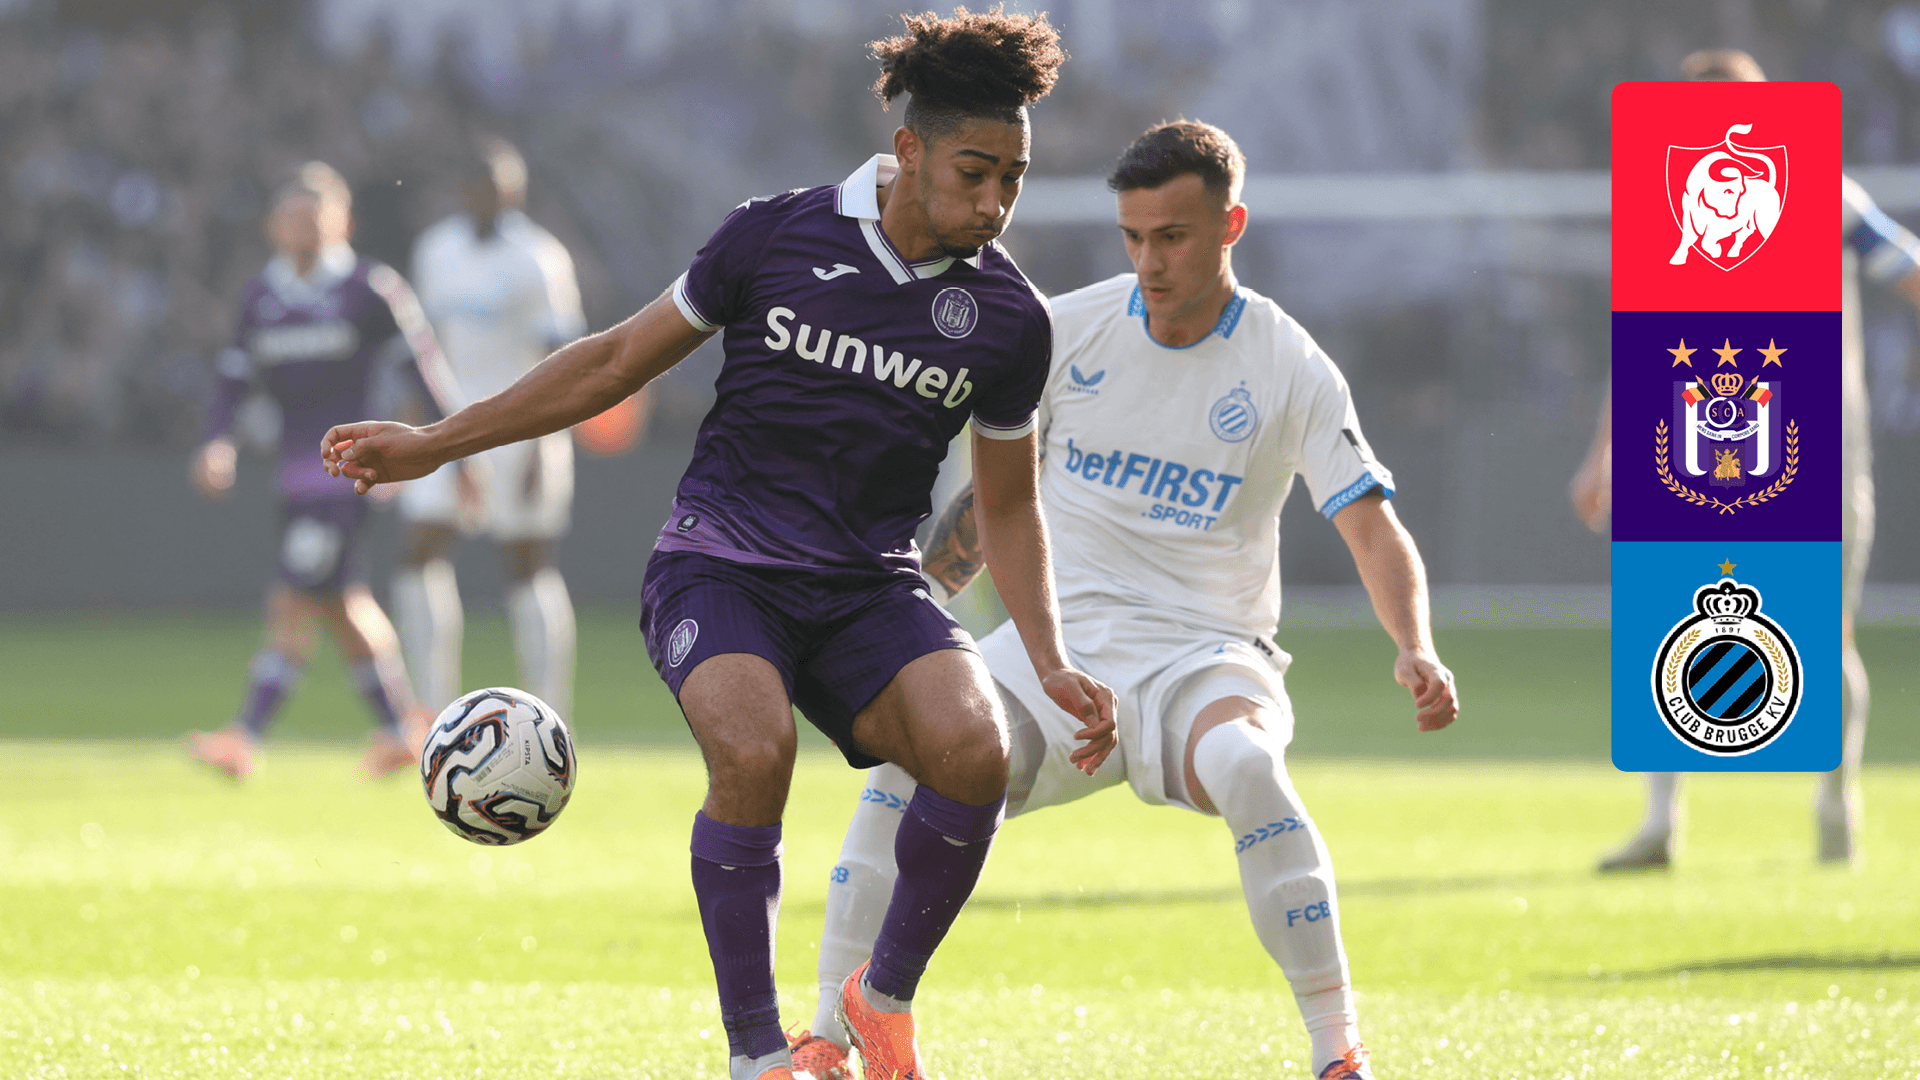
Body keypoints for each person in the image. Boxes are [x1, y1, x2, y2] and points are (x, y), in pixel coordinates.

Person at [319, 11, 1115, 1080]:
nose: (994, 203)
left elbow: (1008, 508)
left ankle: (878, 1003)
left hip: (868, 588)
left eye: (1013, 179)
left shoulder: (1012, 317)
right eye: (975, 174)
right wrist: (434, 443)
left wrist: (1050, 658)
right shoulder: (775, 234)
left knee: (980, 753)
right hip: (721, 563)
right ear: (910, 150)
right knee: (753, 752)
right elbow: (614, 362)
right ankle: (757, 1055)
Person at [785, 120, 1459, 1080]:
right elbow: (992, 505)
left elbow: (1370, 522)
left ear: (1230, 226)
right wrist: (908, 606)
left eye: (1172, 237)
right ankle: (828, 1033)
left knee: (1248, 767)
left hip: (1207, 653)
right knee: (909, 758)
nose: (1149, 261)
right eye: (1134, 237)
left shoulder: (1289, 363)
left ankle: (1337, 1052)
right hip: (1057, 654)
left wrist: (1415, 644)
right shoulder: (1065, 330)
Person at [1586, 48, 1920, 870]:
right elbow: (1641, 339)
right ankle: (1662, 825)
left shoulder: (1826, 195)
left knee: (1826, 633)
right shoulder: (1669, 214)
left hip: (1815, 450)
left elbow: (1907, 271)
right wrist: (1605, 451)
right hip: (1695, 448)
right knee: (1670, 622)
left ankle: (1835, 805)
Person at [187, 162, 462, 780]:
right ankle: (400, 730)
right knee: (341, 604)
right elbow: (232, 380)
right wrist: (217, 442)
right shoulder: (262, 298)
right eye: (294, 217)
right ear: (273, 226)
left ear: (344, 222)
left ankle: (245, 738)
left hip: (349, 475)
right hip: (293, 478)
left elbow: (423, 369)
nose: (305, 228)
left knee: (293, 602)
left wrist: (454, 446)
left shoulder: (369, 289)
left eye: (317, 216)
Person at [393, 137, 589, 718]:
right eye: (481, 186)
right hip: (449, 423)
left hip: (522, 425)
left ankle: (551, 713)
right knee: (420, 548)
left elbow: (562, 357)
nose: (490, 197)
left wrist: (542, 445)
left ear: (516, 194)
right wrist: (412, 426)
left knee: (527, 562)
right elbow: (424, 348)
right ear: (464, 190)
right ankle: (430, 710)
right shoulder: (437, 250)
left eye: (502, 189)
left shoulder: (540, 257)